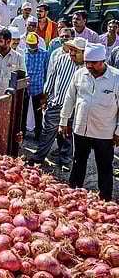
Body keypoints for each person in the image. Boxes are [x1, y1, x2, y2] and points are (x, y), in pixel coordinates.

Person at [59, 43, 119, 201]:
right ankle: (72, 196)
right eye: (87, 63)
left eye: (93, 63)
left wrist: (118, 132)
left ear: (103, 61)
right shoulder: (80, 74)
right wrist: (63, 121)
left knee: (104, 167)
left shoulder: (116, 77)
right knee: (78, 162)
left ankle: (105, 200)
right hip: (81, 129)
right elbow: (70, 98)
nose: (89, 66)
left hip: (104, 132)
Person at [29, 37, 86, 166]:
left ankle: (65, 159)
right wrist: (45, 95)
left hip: (75, 108)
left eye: (76, 51)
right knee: (48, 131)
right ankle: (38, 157)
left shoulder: (88, 67)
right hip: (57, 104)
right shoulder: (61, 59)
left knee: (68, 134)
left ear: (84, 53)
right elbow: (52, 78)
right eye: (71, 50)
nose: (71, 53)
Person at [22, 33, 49, 140]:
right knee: (23, 112)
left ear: (37, 43)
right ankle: (22, 132)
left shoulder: (44, 54)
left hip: (38, 87)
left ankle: (38, 133)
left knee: (38, 112)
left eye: (34, 45)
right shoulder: (23, 53)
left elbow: (47, 71)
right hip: (25, 87)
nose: (32, 48)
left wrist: (46, 89)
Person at [0, 28, 26, 98]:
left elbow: (22, 81)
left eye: (0, 41)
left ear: (8, 42)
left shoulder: (18, 58)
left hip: (9, 100)